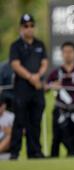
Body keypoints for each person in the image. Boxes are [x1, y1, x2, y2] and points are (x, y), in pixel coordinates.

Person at [9, 14, 48, 160]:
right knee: (19, 120)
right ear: (21, 28)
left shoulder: (39, 45)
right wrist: (31, 77)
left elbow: (44, 63)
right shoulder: (16, 45)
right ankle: (15, 152)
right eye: (26, 26)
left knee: (35, 121)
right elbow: (15, 65)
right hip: (22, 88)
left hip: (37, 88)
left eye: (32, 25)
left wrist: (38, 75)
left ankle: (35, 151)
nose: (29, 28)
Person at [46, 42, 74, 157]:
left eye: (70, 52)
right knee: (57, 136)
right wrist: (51, 85)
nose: (67, 55)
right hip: (60, 108)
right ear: (61, 54)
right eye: (65, 52)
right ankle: (53, 158)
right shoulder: (56, 73)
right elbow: (45, 87)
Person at [0, 94, 15, 160]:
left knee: (10, 135)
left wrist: (11, 130)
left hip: (5, 141)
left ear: (4, 105)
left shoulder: (11, 116)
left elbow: (22, 131)